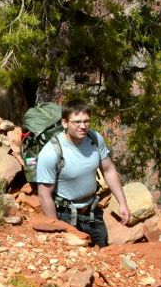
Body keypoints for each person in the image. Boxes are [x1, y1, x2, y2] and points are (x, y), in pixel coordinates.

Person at [35, 101, 130, 246]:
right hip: (65, 215)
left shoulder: (94, 139)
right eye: (77, 122)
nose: (83, 126)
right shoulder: (51, 152)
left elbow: (108, 169)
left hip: (92, 212)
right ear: (65, 123)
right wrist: (56, 229)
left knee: (102, 253)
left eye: (86, 121)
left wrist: (122, 203)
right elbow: (44, 194)